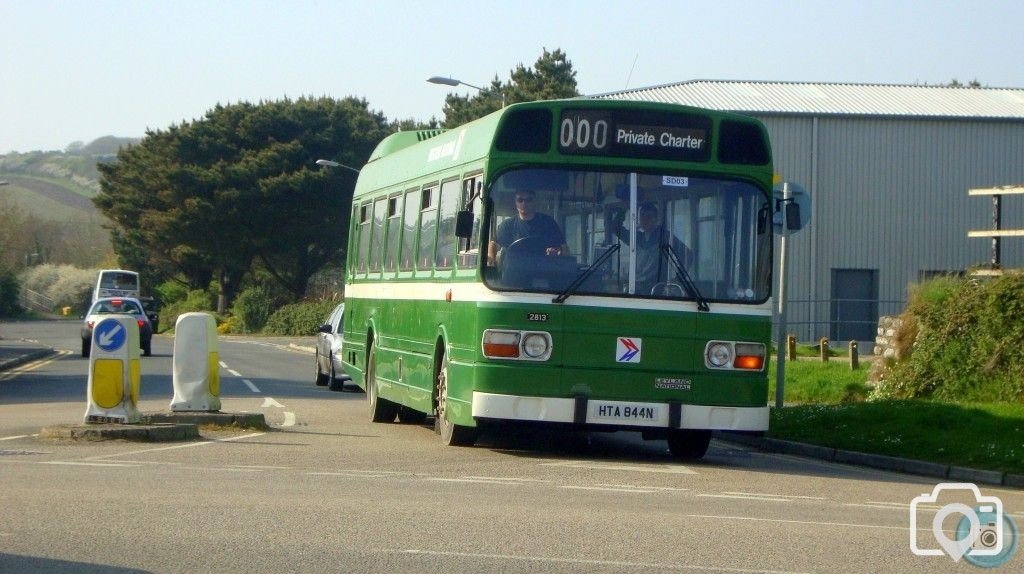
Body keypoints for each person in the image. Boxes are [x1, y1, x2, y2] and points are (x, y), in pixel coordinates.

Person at [613, 201, 692, 295]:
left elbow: (687, 255)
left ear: (656, 219)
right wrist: (624, 208)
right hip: (634, 285)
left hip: (655, 288)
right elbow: (615, 228)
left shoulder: (664, 236)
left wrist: (678, 278)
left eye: (649, 216)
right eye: (642, 216)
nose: (645, 219)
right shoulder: (636, 237)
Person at [487, 190, 569, 266]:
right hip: (512, 275)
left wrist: (556, 253)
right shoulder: (507, 225)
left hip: (544, 274)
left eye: (528, 200)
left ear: (534, 202)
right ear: (516, 203)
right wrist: (492, 259)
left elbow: (565, 249)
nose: (524, 203)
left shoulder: (548, 223)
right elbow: (493, 244)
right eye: (520, 200)